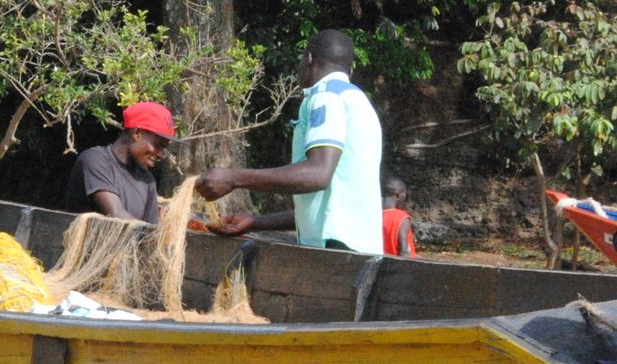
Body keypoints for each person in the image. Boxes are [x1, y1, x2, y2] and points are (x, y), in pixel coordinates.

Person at [194, 29, 383, 253]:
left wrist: (235, 178)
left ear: (309, 59)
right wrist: (256, 222)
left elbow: (318, 174)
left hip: (337, 252)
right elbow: (330, 209)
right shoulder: (357, 100)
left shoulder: (326, 96)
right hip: (359, 253)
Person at [62, 101, 179, 221]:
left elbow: (150, 231)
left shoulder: (147, 181)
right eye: (158, 145)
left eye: (164, 149)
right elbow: (116, 214)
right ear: (137, 133)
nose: (161, 154)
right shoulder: (95, 160)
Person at [382, 175, 418, 257]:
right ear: (398, 195)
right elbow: (403, 252)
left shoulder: (373, 216)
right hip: (397, 266)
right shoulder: (401, 217)